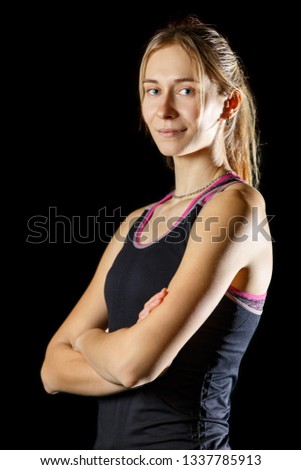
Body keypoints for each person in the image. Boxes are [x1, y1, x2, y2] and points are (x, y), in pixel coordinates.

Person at [41, 15, 273, 450]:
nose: (163, 109)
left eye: (185, 90)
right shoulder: (137, 223)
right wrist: (123, 347)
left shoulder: (237, 207)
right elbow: (52, 369)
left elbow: (135, 368)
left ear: (229, 103)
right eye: (152, 90)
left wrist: (93, 340)